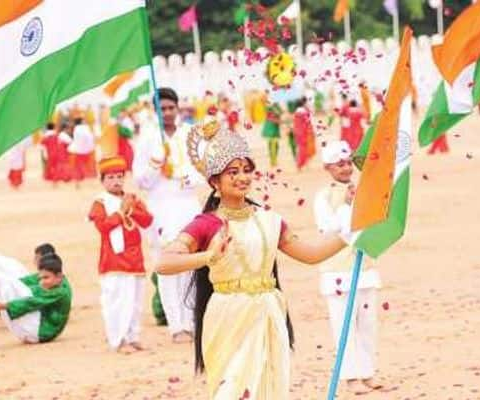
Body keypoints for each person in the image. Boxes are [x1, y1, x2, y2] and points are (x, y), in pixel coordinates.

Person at [156, 121, 353, 399]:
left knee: (266, 387)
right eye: (233, 172)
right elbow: (164, 263)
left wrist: (352, 236)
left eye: (247, 171)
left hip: (268, 311)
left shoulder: (269, 220)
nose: (243, 178)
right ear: (215, 182)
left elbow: (311, 254)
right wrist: (208, 256)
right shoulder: (207, 224)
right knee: (233, 389)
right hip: (227, 315)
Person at [133, 88, 204, 343]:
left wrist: (183, 176)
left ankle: (193, 321)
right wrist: (155, 164)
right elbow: (141, 181)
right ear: (155, 112)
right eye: (161, 109)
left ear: (178, 108)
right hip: (160, 209)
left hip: (187, 206)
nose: (167, 113)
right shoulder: (147, 139)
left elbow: (204, 170)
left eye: (170, 108)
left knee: (191, 265)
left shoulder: (191, 134)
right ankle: (177, 326)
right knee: (166, 267)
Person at [314, 140, 383, 395]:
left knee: (367, 322)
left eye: (347, 163)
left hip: (364, 265)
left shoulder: (364, 188)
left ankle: (367, 372)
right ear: (328, 167)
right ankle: (350, 376)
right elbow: (329, 227)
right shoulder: (323, 196)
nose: (345, 168)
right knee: (344, 325)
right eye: (339, 164)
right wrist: (345, 204)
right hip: (337, 269)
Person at [89, 157, 153, 352]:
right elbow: (103, 226)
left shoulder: (131, 199)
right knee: (117, 301)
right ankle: (118, 339)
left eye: (119, 176)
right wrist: (121, 211)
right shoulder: (100, 203)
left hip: (135, 259)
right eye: (111, 177)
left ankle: (133, 336)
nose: (116, 181)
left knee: (135, 301)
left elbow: (147, 221)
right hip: (114, 261)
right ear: (102, 180)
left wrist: (130, 209)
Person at [0, 238, 72, 344]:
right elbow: (25, 282)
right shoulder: (55, 279)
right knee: (6, 280)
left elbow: (30, 303)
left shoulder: (61, 292)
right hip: (28, 328)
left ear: (59, 276)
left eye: (46, 278)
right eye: (41, 278)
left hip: (37, 333)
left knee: (5, 283)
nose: (42, 282)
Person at [68, 118, 96, 188]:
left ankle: (77, 182)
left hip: (77, 151)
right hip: (86, 150)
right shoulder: (85, 128)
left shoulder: (76, 129)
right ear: (81, 122)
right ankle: (83, 180)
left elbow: (76, 139)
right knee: (86, 165)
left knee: (77, 167)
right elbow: (90, 138)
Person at [292, 97, 316, 170]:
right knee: (305, 149)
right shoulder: (304, 112)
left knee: (302, 149)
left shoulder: (297, 112)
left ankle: (302, 164)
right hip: (305, 132)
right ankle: (301, 164)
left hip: (298, 132)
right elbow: (308, 122)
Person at [262, 102, 284, 168]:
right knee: (272, 145)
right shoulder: (269, 107)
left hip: (275, 128)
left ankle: (273, 160)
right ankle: (273, 161)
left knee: (275, 145)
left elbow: (280, 113)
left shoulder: (277, 107)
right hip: (270, 128)